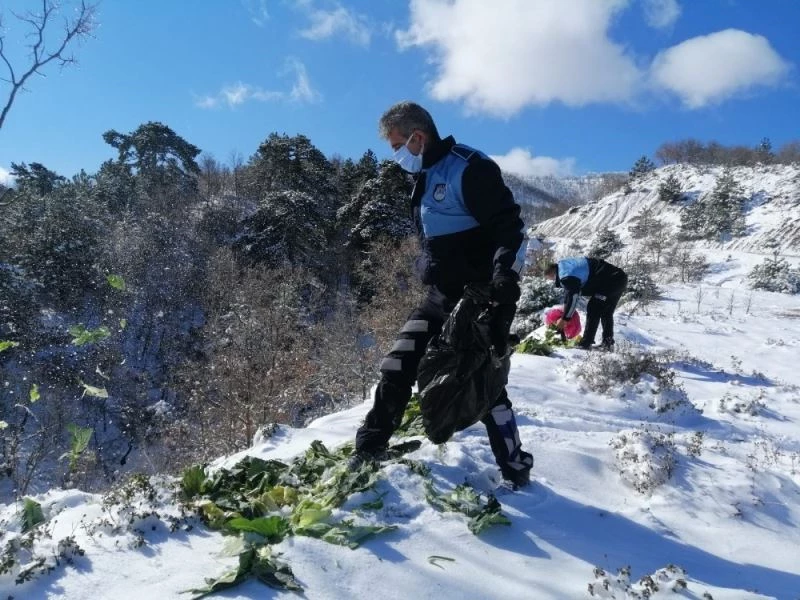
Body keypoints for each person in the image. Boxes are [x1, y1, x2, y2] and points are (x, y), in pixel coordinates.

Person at [351, 101, 533, 487]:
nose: (395, 156)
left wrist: (503, 286)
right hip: (438, 296)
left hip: (479, 299)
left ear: (418, 137)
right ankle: (369, 449)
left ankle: (515, 468)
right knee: (398, 365)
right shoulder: (424, 174)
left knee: (481, 385)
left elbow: (510, 230)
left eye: (397, 145)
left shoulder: (469, 168)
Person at [544, 257, 628, 350]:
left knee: (593, 308)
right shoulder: (565, 266)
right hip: (619, 278)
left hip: (610, 281)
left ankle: (586, 343)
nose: (553, 282)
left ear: (552, 273)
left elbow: (573, 296)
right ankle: (607, 343)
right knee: (606, 312)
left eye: (551, 279)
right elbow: (569, 295)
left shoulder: (565, 275)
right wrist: (565, 312)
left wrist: (565, 319)